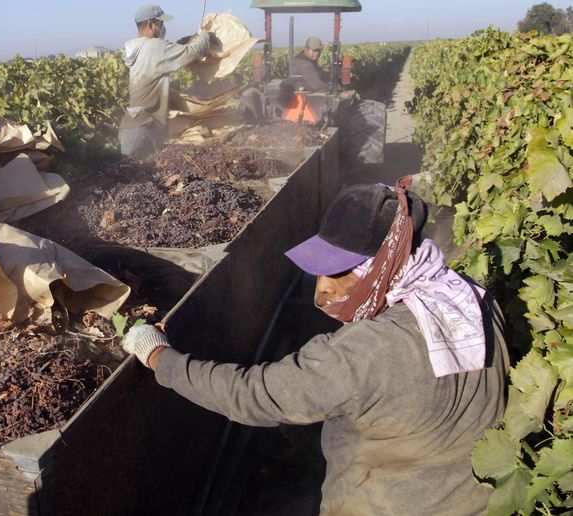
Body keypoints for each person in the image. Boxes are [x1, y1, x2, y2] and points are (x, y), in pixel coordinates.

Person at [122, 179, 509, 514]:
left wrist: (160, 357)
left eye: (339, 270)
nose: (322, 286)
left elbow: (254, 394)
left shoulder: (365, 352)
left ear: (383, 264)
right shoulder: (471, 298)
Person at [119, 5, 214, 158]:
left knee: (142, 174)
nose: (163, 28)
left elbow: (169, 51)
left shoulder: (139, 47)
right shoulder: (155, 47)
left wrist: (187, 40)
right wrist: (205, 36)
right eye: (161, 24)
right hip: (142, 129)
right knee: (133, 175)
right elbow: (194, 52)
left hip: (136, 124)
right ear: (151, 25)